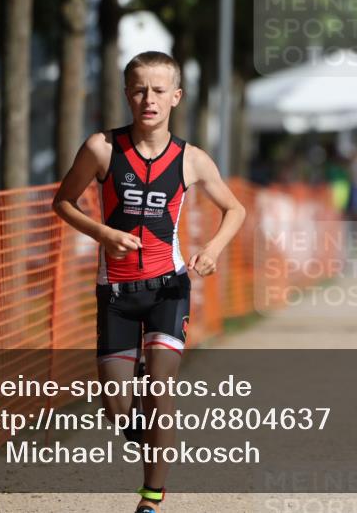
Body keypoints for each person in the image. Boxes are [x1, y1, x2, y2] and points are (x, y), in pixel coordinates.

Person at [52, 51, 246, 513]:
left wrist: (213, 251)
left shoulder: (192, 159)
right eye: (139, 89)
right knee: (117, 405)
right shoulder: (101, 148)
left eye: (159, 90)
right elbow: (63, 202)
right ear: (126, 94)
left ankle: (150, 500)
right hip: (116, 292)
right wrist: (103, 233)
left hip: (167, 288)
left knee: (160, 387)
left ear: (176, 97)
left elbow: (235, 209)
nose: (149, 99)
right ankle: (146, 428)